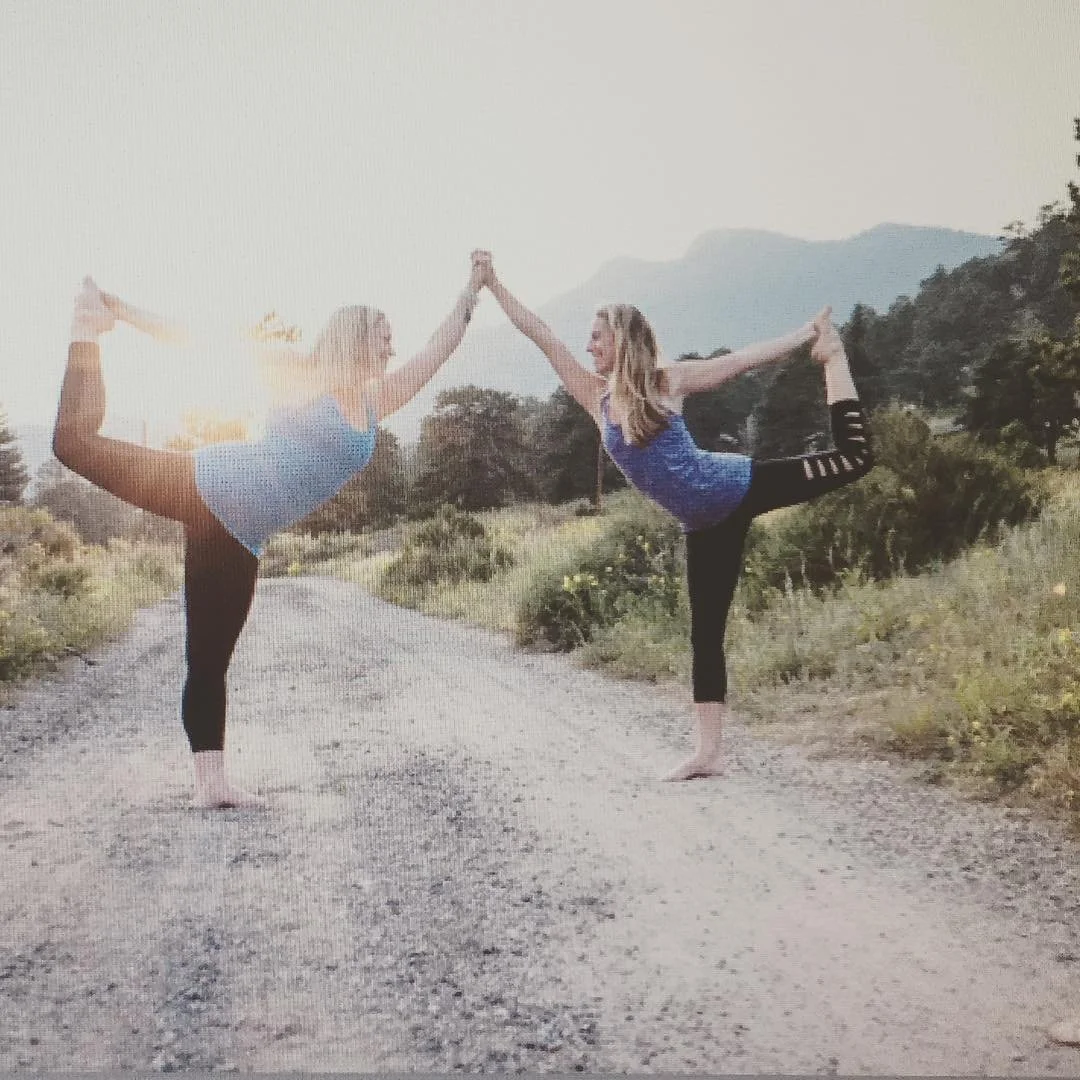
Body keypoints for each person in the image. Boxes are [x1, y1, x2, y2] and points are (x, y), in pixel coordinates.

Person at [54, 263, 485, 808]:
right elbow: (198, 341)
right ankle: (86, 327)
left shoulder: (379, 402)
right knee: (72, 444)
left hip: (241, 536)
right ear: (354, 337)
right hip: (202, 481)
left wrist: (472, 289)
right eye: (383, 339)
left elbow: (438, 349)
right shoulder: (299, 373)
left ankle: (212, 788)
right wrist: (118, 308)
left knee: (208, 660)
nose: (392, 350)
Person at [473, 250, 873, 781]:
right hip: (705, 526)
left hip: (741, 486)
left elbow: (744, 361)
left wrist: (807, 336)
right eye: (588, 339)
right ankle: (708, 754)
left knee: (854, 459)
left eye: (597, 336)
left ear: (621, 339)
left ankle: (835, 359)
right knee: (705, 636)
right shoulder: (595, 399)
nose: (588, 346)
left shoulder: (668, 383)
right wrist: (494, 284)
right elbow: (539, 332)